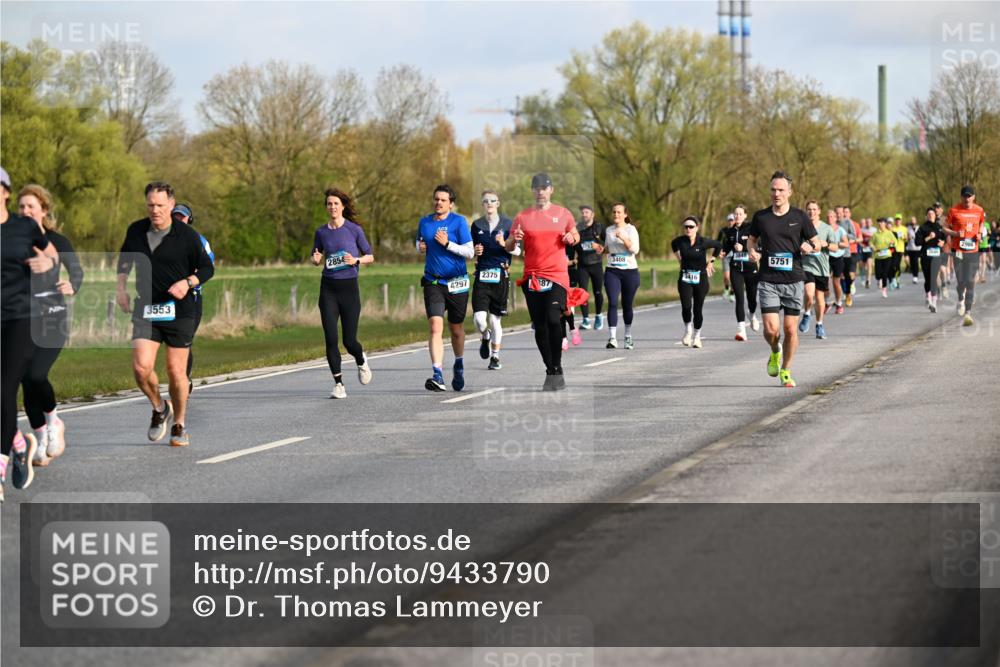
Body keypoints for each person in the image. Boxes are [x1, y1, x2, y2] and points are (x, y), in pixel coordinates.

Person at [116, 181, 214, 447]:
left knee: (175, 371)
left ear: (171, 204)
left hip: (179, 310)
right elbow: (125, 259)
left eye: (160, 205)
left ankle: (179, 424)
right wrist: (121, 287)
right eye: (151, 205)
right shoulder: (136, 230)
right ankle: (160, 408)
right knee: (140, 368)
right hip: (146, 308)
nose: (155, 210)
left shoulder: (186, 235)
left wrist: (188, 282)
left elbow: (207, 268)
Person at [1, 167, 59, 501]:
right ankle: (20, 443)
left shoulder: (24, 226)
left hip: (19, 320)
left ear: (5, 191)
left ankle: (2, 467)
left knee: (4, 390)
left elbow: (51, 255)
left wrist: (47, 265)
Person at [17, 184, 84, 466]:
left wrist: (72, 285)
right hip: (22, 320)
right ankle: (41, 437)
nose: (25, 211)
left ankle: (54, 421)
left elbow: (77, 272)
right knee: (25, 380)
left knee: (35, 375)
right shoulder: (12, 241)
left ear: (44, 210)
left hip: (53, 319)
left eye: (31, 206)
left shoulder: (58, 241)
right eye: (21, 207)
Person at [505, 172, 579, 390]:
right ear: (533, 191)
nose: (540, 191)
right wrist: (513, 240)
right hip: (533, 277)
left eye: (544, 188)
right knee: (540, 327)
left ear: (551, 190)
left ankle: (556, 367)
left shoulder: (563, 214)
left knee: (554, 320)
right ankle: (551, 370)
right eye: (536, 188)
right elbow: (510, 246)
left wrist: (571, 238)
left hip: (557, 276)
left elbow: (575, 235)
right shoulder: (522, 217)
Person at [747, 171, 820, 388]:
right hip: (768, 279)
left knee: (790, 329)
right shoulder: (761, 217)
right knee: (771, 331)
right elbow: (752, 240)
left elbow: (818, 242)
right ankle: (775, 350)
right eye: (773, 189)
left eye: (780, 190)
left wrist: (810, 246)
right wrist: (753, 252)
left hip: (793, 280)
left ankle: (786, 370)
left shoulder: (799, 217)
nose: (776, 194)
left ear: (789, 192)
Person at [310, 188, 374, 398]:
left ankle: (360, 359)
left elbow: (370, 256)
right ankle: (339, 384)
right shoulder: (321, 232)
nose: (332, 207)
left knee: (349, 341)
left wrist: (356, 260)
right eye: (329, 204)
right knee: (330, 338)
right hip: (328, 288)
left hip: (349, 289)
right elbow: (316, 254)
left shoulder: (354, 230)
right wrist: (315, 259)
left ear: (343, 206)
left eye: (336, 203)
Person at [417, 184, 474, 391]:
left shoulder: (459, 222)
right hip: (434, 282)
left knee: (456, 330)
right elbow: (420, 244)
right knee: (435, 326)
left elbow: (470, 253)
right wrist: (420, 247)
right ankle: (437, 373)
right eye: (436, 199)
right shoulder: (424, 222)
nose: (438, 203)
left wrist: (448, 243)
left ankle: (458, 364)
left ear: (451, 203)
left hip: (457, 282)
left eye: (443, 200)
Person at [170, 203, 214, 394]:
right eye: (176, 216)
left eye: (183, 217)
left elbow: (207, 267)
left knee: (184, 340)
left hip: (192, 298)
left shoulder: (199, 241)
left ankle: (183, 380)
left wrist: (189, 280)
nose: (179, 220)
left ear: (189, 219)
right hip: (166, 299)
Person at [471, 189, 517, 370]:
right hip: (482, 275)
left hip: (500, 275)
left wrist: (504, 245)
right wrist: (475, 252)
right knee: (479, 320)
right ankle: (485, 336)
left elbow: (518, 251)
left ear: (498, 203)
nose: (489, 203)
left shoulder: (508, 224)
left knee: (495, 320)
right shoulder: (476, 225)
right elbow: (470, 249)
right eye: (486, 201)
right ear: (482, 205)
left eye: (493, 200)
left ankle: (495, 356)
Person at [671, 215, 721, 349]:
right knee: (686, 306)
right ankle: (688, 331)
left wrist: (711, 261)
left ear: (697, 228)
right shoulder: (680, 241)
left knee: (697, 309)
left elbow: (718, 245)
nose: (688, 229)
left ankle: (697, 336)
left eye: (691, 227)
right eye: (686, 227)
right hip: (685, 278)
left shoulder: (703, 242)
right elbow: (673, 245)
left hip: (701, 278)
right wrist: (679, 260)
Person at [602, 203, 641, 350]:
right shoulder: (609, 230)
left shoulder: (631, 230)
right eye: (614, 212)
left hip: (629, 271)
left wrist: (624, 238)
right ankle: (612, 338)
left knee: (627, 305)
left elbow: (635, 250)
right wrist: (601, 249)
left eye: (619, 212)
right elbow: (608, 249)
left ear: (625, 214)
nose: (616, 215)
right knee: (612, 302)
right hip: (612, 271)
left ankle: (628, 336)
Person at [799, 202, 840, 340]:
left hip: (822, 268)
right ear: (806, 211)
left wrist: (826, 244)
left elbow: (836, 247)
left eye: (814, 209)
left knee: (819, 297)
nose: (812, 212)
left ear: (819, 211)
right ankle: (806, 314)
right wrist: (801, 248)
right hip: (807, 266)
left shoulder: (827, 228)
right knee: (809, 294)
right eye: (809, 209)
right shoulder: (802, 227)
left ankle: (819, 324)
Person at [946, 185, 986, 326]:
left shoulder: (979, 210)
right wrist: (956, 234)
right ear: (961, 197)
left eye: (969, 196)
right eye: (964, 196)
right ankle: (960, 298)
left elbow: (981, 224)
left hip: (973, 250)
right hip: (958, 250)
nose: (967, 198)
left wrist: (980, 234)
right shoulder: (954, 210)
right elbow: (945, 228)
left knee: (970, 282)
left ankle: (968, 313)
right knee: (961, 281)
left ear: (973, 197)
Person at [720, 204, 760, 341]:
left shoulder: (751, 229)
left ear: (745, 215)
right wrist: (723, 252)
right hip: (736, 268)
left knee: (752, 298)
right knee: (739, 298)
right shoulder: (729, 232)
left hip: (750, 267)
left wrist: (744, 248)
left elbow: (757, 245)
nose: (737, 216)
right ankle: (741, 330)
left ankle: (752, 314)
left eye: (740, 214)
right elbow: (725, 247)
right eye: (735, 214)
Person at [574, 205, 605, 331]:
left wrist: (599, 246)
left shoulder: (599, 227)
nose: (584, 214)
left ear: (592, 214)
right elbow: (573, 243)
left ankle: (598, 315)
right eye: (582, 212)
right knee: (582, 293)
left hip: (596, 264)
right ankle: (586, 319)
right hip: (582, 265)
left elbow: (607, 242)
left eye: (586, 212)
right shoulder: (577, 228)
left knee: (598, 292)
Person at [915, 207, 946, 313]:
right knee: (927, 278)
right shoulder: (922, 228)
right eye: (929, 214)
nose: (931, 215)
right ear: (926, 216)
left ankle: (934, 302)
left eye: (932, 213)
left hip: (936, 256)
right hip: (925, 256)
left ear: (935, 215)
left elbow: (944, 238)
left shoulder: (939, 227)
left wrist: (942, 243)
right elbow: (917, 242)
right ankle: (928, 296)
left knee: (933, 278)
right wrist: (928, 238)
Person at [827, 209, 850, 315]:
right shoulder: (824, 229)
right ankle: (827, 302)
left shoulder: (840, 230)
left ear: (836, 218)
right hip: (826, 257)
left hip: (838, 257)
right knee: (825, 281)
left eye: (832, 216)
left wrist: (836, 243)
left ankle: (839, 303)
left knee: (836, 282)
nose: (829, 218)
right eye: (828, 217)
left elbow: (846, 244)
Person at [870, 218, 897, 298]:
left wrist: (891, 245)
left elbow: (895, 242)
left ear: (885, 224)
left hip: (887, 255)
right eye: (879, 222)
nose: (880, 224)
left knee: (885, 273)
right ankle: (880, 280)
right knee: (878, 274)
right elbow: (871, 243)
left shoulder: (889, 233)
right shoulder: (875, 234)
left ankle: (884, 289)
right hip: (878, 256)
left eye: (882, 222)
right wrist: (873, 247)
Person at [718, 213, 737, 303]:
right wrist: (719, 252)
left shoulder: (737, 230)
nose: (730, 222)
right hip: (725, 256)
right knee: (726, 277)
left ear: (735, 221)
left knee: (733, 276)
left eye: (732, 220)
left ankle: (732, 293)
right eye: (729, 220)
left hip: (735, 256)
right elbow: (717, 242)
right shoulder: (723, 231)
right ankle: (726, 288)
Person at [890, 214, 907, 289]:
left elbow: (906, 239)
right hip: (893, 249)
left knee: (897, 265)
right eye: (896, 219)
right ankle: (893, 279)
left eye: (899, 219)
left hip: (900, 249)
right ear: (895, 221)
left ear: (901, 220)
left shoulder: (904, 229)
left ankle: (897, 280)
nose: (898, 221)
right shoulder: (892, 229)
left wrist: (903, 237)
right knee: (892, 265)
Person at [859, 217, 875, 291]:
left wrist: (873, 246)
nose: (868, 223)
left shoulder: (874, 230)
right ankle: (863, 277)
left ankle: (868, 280)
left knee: (869, 264)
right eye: (867, 222)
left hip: (870, 250)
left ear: (872, 223)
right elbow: (859, 239)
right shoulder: (862, 230)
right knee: (862, 266)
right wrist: (861, 244)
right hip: (863, 249)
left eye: (869, 222)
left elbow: (876, 239)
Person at [906, 216, 922, 284]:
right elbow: (906, 238)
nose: (912, 222)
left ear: (916, 221)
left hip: (918, 248)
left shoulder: (919, 228)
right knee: (912, 263)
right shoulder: (908, 228)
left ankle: (916, 276)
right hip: (911, 248)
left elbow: (921, 236)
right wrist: (908, 238)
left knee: (916, 262)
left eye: (913, 220)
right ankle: (914, 276)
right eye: (911, 220)